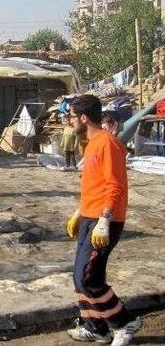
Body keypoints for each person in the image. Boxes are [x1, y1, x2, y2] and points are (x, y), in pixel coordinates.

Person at [65, 94, 141, 346]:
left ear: (83, 118)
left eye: (72, 117)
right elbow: (94, 186)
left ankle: (124, 321)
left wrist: (104, 220)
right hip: (90, 216)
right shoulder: (92, 143)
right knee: (80, 278)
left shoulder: (107, 143)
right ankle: (95, 327)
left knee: (90, 278)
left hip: (104, 221)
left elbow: (115, 185)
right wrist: (80, 211)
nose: (69, 121)